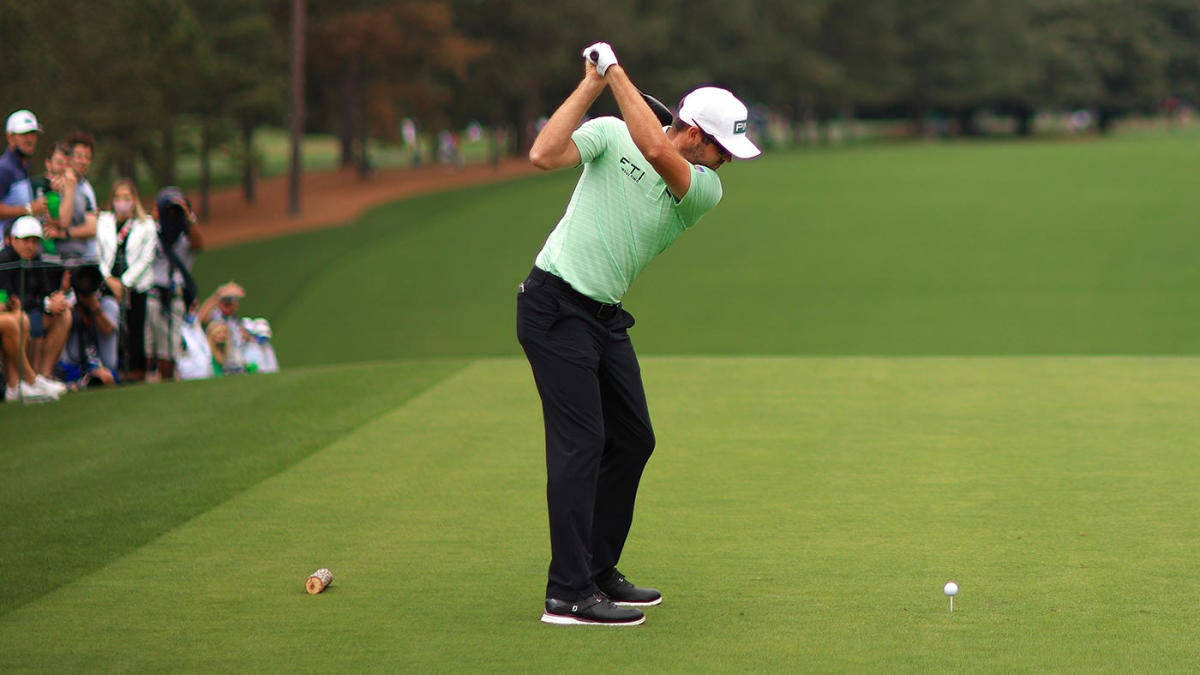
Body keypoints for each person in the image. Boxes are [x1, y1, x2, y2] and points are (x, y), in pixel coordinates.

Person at [517, 42, 759, 627]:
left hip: (603, 317)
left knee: (633, 439)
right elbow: (543, 155)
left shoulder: (701, 187)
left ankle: (598, 571)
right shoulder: (608, 132)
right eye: (722, 148)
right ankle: (567, 593)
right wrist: (592, 85)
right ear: (696, 131)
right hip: (554, 305)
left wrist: (616, 72)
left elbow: (653, 145)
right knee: (581, 444)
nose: (725, 161)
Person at [0, 216, 69, 400]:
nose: (30, 246)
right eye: (26, 241)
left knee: (64, 314)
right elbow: (12, 299)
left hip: (29, 312)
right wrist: (45, 304)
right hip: (18, 314)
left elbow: (44, 290)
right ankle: (22, 382)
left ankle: (42, 375)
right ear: (13, 240)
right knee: (19, 319)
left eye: (34, 241)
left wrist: (55, 299)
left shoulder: (36, 258)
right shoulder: (5, 259)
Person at [96, 179, 157, 380]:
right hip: (108, 282)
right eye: (118, 198)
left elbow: (147, 257)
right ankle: (114, 366)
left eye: (127, 198)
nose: (122, 202)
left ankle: (137, 371)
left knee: (136, 327)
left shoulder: (146, 224)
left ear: (134, 200)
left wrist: (125, 282)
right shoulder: (104, 221)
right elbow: (98, 253)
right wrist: (109, 278)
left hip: (136, 283)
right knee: (112, 324)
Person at [145, 187, 202, 381]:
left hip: (174, 293)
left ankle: (168, 378)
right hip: (152, 292)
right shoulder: (150, 232)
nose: (172, 214)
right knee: (149, 346)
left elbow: (198, 244)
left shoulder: (185, 237)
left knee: (170, 347)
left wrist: (188, 217)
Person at [0, 110, 48, 242]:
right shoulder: (4, 169)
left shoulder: (23, 166)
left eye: (33, 134)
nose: (30, 139)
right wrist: (29, 209)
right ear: (10, 137)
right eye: (24, 134)